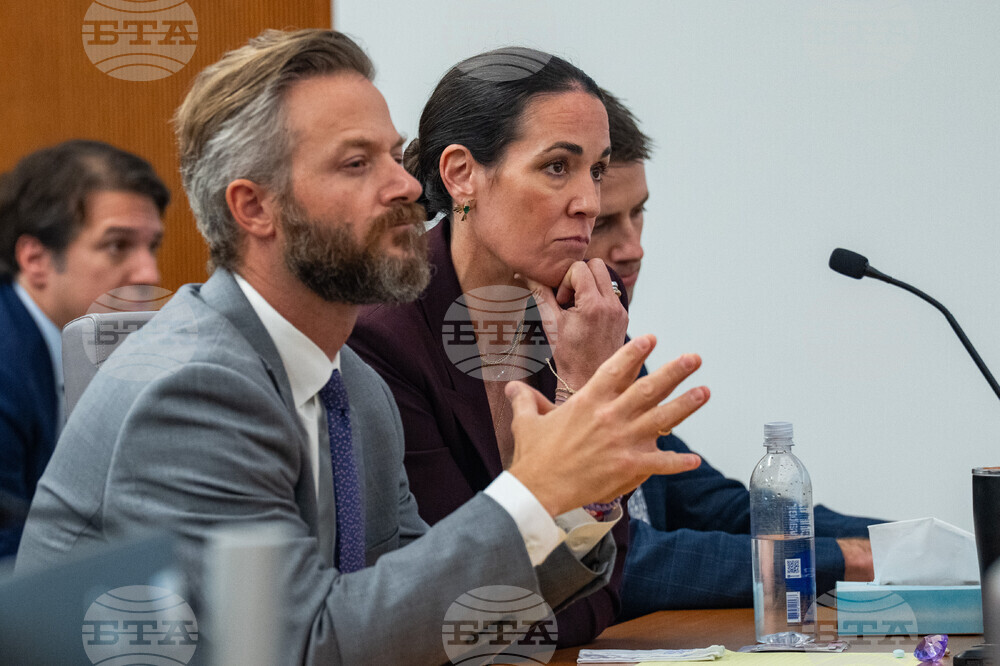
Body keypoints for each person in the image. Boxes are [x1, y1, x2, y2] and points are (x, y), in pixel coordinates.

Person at [17, 30, 710, 664]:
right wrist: (535, 492)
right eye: (356, 162)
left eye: (392, 153)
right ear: (254, 208)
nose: (408, 185)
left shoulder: (354, 390)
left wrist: (578, 504)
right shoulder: (195, 388)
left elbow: (421, 607)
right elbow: (301, 646)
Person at [348, 47, 647, 647]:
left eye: (595, 169)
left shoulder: (586, 318)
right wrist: (581, 397)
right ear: (462, 175)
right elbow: (464, 612)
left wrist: (583, 380)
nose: (589, 201)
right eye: (557, 167)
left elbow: (603, 587)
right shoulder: (383, 335)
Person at [584, 89, 881, 617]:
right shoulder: (500, 368)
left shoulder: (609, 343)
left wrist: (899, 542)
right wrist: (840, 559)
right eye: (605, 223)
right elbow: (617, 560)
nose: (633, 247)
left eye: (638, 214)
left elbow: (703, 502)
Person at [0, 139, 167, 559]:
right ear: (36, 259)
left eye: (152, 246)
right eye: (117, 245)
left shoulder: (114, 349)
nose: (149, 272)